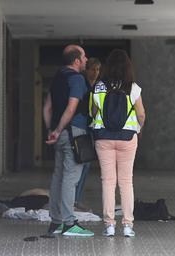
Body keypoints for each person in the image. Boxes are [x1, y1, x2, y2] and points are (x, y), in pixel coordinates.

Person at [91, 49, 145, 237]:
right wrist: (139, 127)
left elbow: (93, 112)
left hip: (103, 137)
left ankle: (109, 225)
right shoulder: (133, 87)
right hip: (127, 138)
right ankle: (128, 226)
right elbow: (141, 114)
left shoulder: (99, 86)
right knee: (126, 181)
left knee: (108, 181)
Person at [43, 44, 94, 237]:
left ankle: (55, 221)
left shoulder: (57, 78)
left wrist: (52, 130)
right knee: (71, 178)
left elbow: (47, 107)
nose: (87, 60)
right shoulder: (77, 79)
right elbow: (72, 108)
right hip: (74, 133)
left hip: (59, 135)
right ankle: (68, 223)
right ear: (76, 60)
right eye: (84, 56)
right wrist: (59, 129)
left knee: (58, 177)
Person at [74, 58, 102, 211]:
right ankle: (73, 200)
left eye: (98, 70)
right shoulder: (82, 84)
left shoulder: (96, 87)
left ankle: (77, 199)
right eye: (93, 69)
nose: (95, 73)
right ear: (86, 70)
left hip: (91, 129)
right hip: (80, 127)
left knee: (86, 164)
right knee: (79, 163)